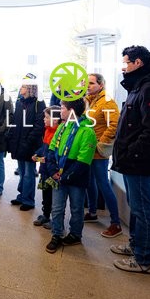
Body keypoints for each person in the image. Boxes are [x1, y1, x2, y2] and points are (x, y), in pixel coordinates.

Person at [110, 45, 150, 274]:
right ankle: (136, 246)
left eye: (126, 62)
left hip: (140, 162)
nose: (123, 67)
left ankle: (144, 259)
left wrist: (132, 153)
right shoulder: (138, 87)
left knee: (143, 209)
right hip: (131, 161)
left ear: (138, 63)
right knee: (136, 208)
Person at [45, 98, 97, 253]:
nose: (60, 111)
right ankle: (57, 234)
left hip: (76, 176)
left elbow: (83, 161)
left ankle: (75, 234)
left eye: (62, 108)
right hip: (58, 173)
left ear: (71, 110)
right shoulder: (62, 127)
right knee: (57, 207)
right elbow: (51, 149)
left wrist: (65, 177)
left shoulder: (87, 131)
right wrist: (53, 170)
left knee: (76, 208)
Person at [84, 73, 123, 237]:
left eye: (91, 83)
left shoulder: (106, 101)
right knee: (90, 182)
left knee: (103, 185)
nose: (88, 86)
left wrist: (101, 142)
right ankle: (92, 212)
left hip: (99, 152)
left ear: (101, 85)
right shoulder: (91, 101)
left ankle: (116, 223)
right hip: (88, 150)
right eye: (86, 84)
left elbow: (114, 124)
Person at [6, 73, 45, 211]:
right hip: (18, 143)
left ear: (29, 88)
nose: (20, 88)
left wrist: (28, 141)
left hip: (30, 145)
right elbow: (15, 123)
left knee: (29, 173)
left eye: (23, 86)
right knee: (22, 172)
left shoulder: (38, 103)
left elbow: (40, 125)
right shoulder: (19, 102)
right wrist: (11, 138)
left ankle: (29, 201)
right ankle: (22, 196)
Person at [32, 105, 61, 228]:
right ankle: (45, 215)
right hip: (44, 170)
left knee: (55, 197)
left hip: (52, 171)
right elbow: (44, 147)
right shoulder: (47, 130)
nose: (44, 119)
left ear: (55, 119)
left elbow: (56, 153)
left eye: (46, 117)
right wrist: (37, 154)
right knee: (46, 193)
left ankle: (56, 220)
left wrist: (46, 159)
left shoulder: (59, 132)